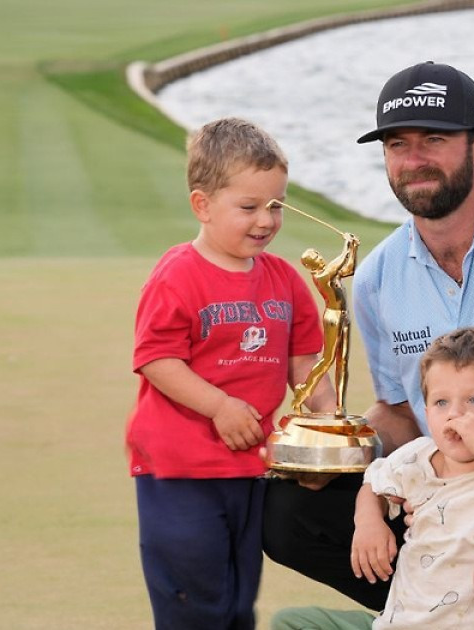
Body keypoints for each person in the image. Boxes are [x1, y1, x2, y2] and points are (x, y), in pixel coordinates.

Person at [262, 61, 474, 611]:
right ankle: (432, 607)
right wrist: (337, 454)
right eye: (397, 143)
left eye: (433, 139)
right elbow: (399, 411)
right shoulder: (378, 277)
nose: (413, 160)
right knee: (288, 511)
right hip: (440, 482)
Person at [126, 117, 335, 629]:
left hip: (250, 468)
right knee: (194, 600)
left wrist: (329, 426)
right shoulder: (177, 274)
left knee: (238, 601)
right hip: (180, 472)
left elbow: (305, 362)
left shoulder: (284, 279)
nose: (266, 220)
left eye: (276, 205)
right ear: (203, 205)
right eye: (249, 207)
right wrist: (219, 405)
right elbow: (156, 358)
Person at [270, 327, 474, 630]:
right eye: (441, 402)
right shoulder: (417, 455)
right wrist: (369, 522)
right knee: (291, 622)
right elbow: (374, 483)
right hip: (396, 623)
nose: (455, 414)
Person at [291, 231, 359, 414]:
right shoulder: (322, 277)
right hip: (333, 317)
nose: (319, 257)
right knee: (327, 360)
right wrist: (347, 244)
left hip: (344, 316)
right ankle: (303, 391)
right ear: (310, 265)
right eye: (315, 257)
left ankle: (339, 406)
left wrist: (354, 248)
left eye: (318, 254)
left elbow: (349, 268)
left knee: (342, 362)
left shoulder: (330, 273)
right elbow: (338, 264)